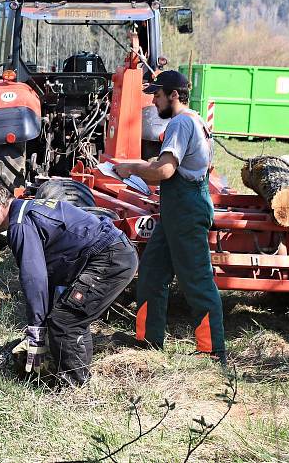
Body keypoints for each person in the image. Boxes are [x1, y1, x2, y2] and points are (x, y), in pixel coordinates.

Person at [0, 183, 138, 385]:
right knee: (66, 316)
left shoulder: (20, 224)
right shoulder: (26, 211)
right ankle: (78, 379)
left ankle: (74, 386)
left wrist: (36, 335)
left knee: (66, 320)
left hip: (110, 258)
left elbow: (35, 281)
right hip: (113, 253)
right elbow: (48, 277)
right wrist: (38, 329)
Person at [114, 70, 226, 364]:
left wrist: (134, 168)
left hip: (185, 211)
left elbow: (165, 171)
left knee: (197, 279)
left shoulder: (179, 123)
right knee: (151, 271)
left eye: (157, 95)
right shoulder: (196, 120)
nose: (153, 100)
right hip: (178, 210)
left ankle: (212, 349)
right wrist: (146, 163)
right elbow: (170, 162)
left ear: (174, 95)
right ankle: (148, 340)